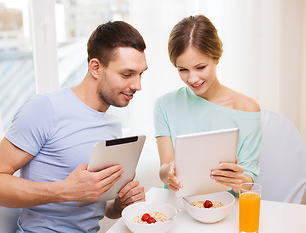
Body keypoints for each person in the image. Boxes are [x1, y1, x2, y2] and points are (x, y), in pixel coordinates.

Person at [0, 20, 148, 232]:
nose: (137, 85)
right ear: (95, 68)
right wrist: (65, 190)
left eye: (141, 73)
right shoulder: (45, 109)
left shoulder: (113, 126)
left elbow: (98, 206)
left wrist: (119, 205)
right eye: (127, 74)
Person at [154, 15, 262, 195]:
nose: (193, 78)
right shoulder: (164, 105)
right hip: (178, 206)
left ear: (217, 57)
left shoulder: (247, 108)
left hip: (225, 208)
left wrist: (237, 180)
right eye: (183, 70)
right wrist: (168, 173)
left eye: (200, 67)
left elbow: (248, 181)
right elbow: (164, 167)